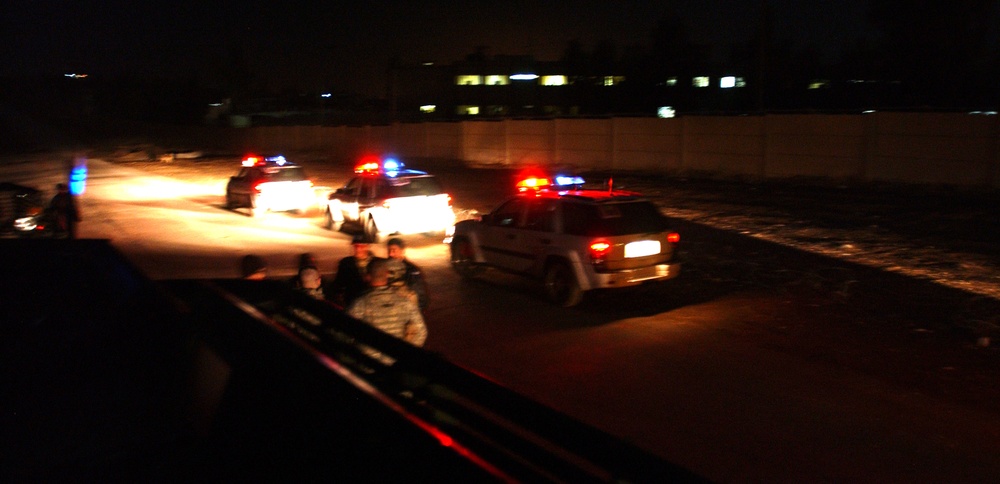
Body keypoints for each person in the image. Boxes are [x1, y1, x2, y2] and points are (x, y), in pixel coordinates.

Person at [347, 258, 427, 362]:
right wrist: (406, 354)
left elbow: (343, 333)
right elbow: (421, 332)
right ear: (387, 275)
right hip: (396, 366)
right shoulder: (405, 302)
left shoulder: (359, 304)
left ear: (367, 277)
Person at [329, 234, 381, 308]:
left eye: (361, 246)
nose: (358, 249)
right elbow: (339, 283)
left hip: (373, 302)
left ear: (367, 246)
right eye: (356, 246)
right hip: (352, 302)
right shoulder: (346, 263)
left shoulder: (377, 263)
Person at [385, 237, 430, 311]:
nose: (390, 254)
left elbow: (420, 298)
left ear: (402, 251)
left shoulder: (412, 270)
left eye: (394, 250)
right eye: (389, 251)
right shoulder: (383, 267)